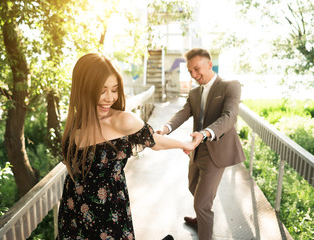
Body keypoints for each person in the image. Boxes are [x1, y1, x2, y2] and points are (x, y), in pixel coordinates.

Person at [57, 53, 196, 239]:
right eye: (102, 90)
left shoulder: (122, 120)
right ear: (83, 89)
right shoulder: (75, 123)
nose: (109, 98)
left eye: (114, 90)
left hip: (107, 217)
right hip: (72, 213)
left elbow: (155, 141)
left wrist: (185, 144)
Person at [157, 48, 245, 240]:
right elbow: (183, 112)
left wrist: (205, 134)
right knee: (193, 188)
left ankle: (204, 228)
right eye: (190, 72)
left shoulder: (230, 86)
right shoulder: (195, 92)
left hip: (216, 151)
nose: (194, 75)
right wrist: (165, 128)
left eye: (197, 69)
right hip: (195, 150)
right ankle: (200, 218)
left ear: (209, 64)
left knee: (202, 203)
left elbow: (229, 117)